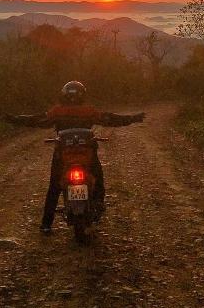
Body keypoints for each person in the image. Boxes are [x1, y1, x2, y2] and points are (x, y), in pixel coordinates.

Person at [12, 81, 144, 234]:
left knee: (54, 187)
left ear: (64, 95)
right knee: (98, 178)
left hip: (62, 156)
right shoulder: (88, 111)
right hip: (86, 154)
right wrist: (133, 118)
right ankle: (98, 204)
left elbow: (36, 120)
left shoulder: (57, 111)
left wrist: (12, 119)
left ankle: (46, 224)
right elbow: (110, 119)